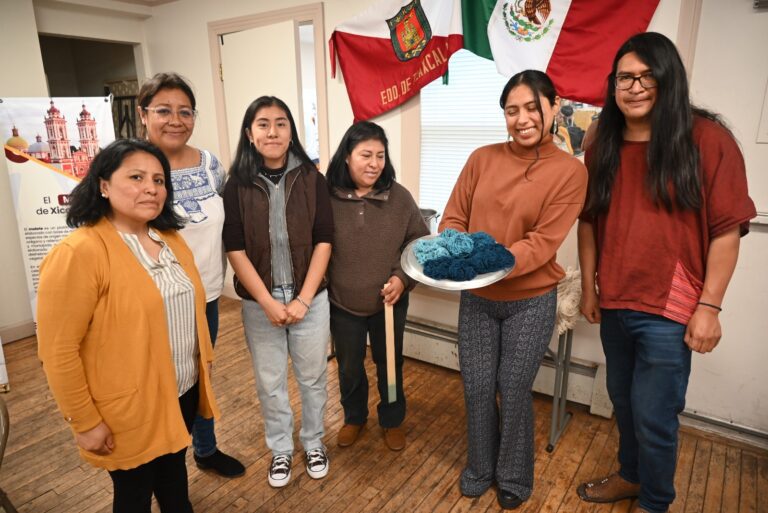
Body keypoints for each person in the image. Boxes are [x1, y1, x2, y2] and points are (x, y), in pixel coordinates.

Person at [576, 33, 755, 513]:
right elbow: (589, 221)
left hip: (671, 308)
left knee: (655, 416)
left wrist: (710, 307)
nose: (633, 87)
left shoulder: (707, 140)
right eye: (623, 78)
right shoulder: (602, 143)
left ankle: (655, 502)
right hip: (615, 301)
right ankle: (632, 477)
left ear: (667, 78)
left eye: (645, 76)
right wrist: (590, 287)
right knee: (625, 404)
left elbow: (726, 230)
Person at [37, 138, 220, 513]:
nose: (151, 188)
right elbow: (58, 351)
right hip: (128, 407)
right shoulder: (79, 253)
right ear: (103, 184)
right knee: (134, 495)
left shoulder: (169, 239)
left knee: (173, 480)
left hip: (181, 390)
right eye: (136, 177)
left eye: (158, 180)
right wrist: (84, 421)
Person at [439, 70, 587, 510]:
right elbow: (452, 219)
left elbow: (542, 243)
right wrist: (456, 252)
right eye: (511, 110)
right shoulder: (481, 158)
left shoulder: (569, 173)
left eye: (530, 108)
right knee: (478, 386)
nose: (521, 119)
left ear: (553, 106)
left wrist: (484, 265)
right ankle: (480, 468)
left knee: (513, 386)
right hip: (478, 299)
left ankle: (514, 476)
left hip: (530, 301)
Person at [137, 72, 245, 478]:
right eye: (163, 110)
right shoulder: (130, 165)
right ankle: (164, 465)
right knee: (159, 384)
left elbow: (231, 217)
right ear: (143, 114)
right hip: (154, 301)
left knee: (202, 373)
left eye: (185, 111)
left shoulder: (209, 164)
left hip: (207, 295)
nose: (175, 119)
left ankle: (204, 448)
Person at [222, 96, 333, 488]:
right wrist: (267, 301)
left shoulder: (311, 178)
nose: (273, 131)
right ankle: (282, 450)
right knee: (269, 382)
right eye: (263, 124)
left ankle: (314, 441)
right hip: (259, 302)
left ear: (291, 132)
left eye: (281, 123)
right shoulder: (236, 184)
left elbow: (324, 240)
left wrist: (303, 298)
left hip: (311, 298)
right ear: (250, 134)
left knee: (313, 377)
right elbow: (234, 247)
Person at [325, 121, 429, 451]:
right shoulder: (327, 197)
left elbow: (420, 243)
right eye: (365, 155)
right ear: (346, 157)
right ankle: (354, 417)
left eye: (380, 156)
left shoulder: (399, 198)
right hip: (342, 302)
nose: (374, 163)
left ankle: (392, 419)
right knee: (350, 367)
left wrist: (402, 278)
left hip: (389, 302)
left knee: (390, 365)